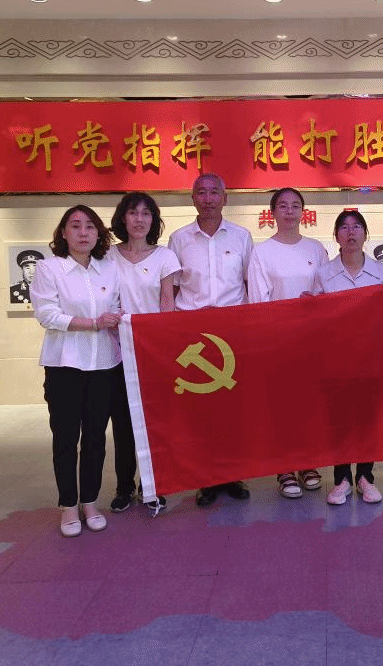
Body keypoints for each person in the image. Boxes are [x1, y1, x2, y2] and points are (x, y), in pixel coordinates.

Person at [30, 205, 121, 537]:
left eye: (90, 226)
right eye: (75, 226)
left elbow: (116, 308)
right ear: (63, 233)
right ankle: (68, 505)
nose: (84, 232)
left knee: (96, 438)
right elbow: (47, 315)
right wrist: (93, 323)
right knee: (66, 438)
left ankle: (90, 502)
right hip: (64, 366)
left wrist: (116, 320)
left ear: (99, 234)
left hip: (104, 364)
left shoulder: (109, 269)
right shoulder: (49, 268)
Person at [169, 173, 254, 508]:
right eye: (201, 192)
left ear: (225, 198)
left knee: (233, 408)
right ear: (192, 199)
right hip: (194, 336)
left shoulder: (242, 237)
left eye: (214, 192)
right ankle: (206, 477)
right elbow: (172, 289)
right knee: (200, 410)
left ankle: (234, 474)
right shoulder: (178, 239)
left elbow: (249, 284)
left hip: (233, 331)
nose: (207, 199)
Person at [247, 186, 329, 498]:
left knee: (309, 404)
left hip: (311, 340)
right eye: (283, 205)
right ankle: (284, 468)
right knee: (281, 406)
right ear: (272, 213)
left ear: (303, 212)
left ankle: (308, 462)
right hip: (278, 341)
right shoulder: (262, 252)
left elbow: (325, 292)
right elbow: (258, 300)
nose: (290, 211)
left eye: (295, 205)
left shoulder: (316, 249)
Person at [107, 192, 181, 516]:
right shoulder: (107, 256)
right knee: (123, 423)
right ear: (122, 218)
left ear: (154, 220)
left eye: (146, 213)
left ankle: (153, 487)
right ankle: (124, 487)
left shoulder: (165, 257)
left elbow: (167, 304)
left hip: (152, 353)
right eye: (133, 213)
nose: (139, 219)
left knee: (154, 424)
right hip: (116, 351)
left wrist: (162, 344)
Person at [311, 210, 383, 505]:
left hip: (371, 358)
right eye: (344, 228)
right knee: (339, 421)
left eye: (357, 227)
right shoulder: (324, 273)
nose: (351, 233)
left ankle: (366, 477)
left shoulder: (381, 273)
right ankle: (342, 479)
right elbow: (316, 318)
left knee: (367, 420)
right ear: (336, 237)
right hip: (336, 359)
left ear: (365, 234)